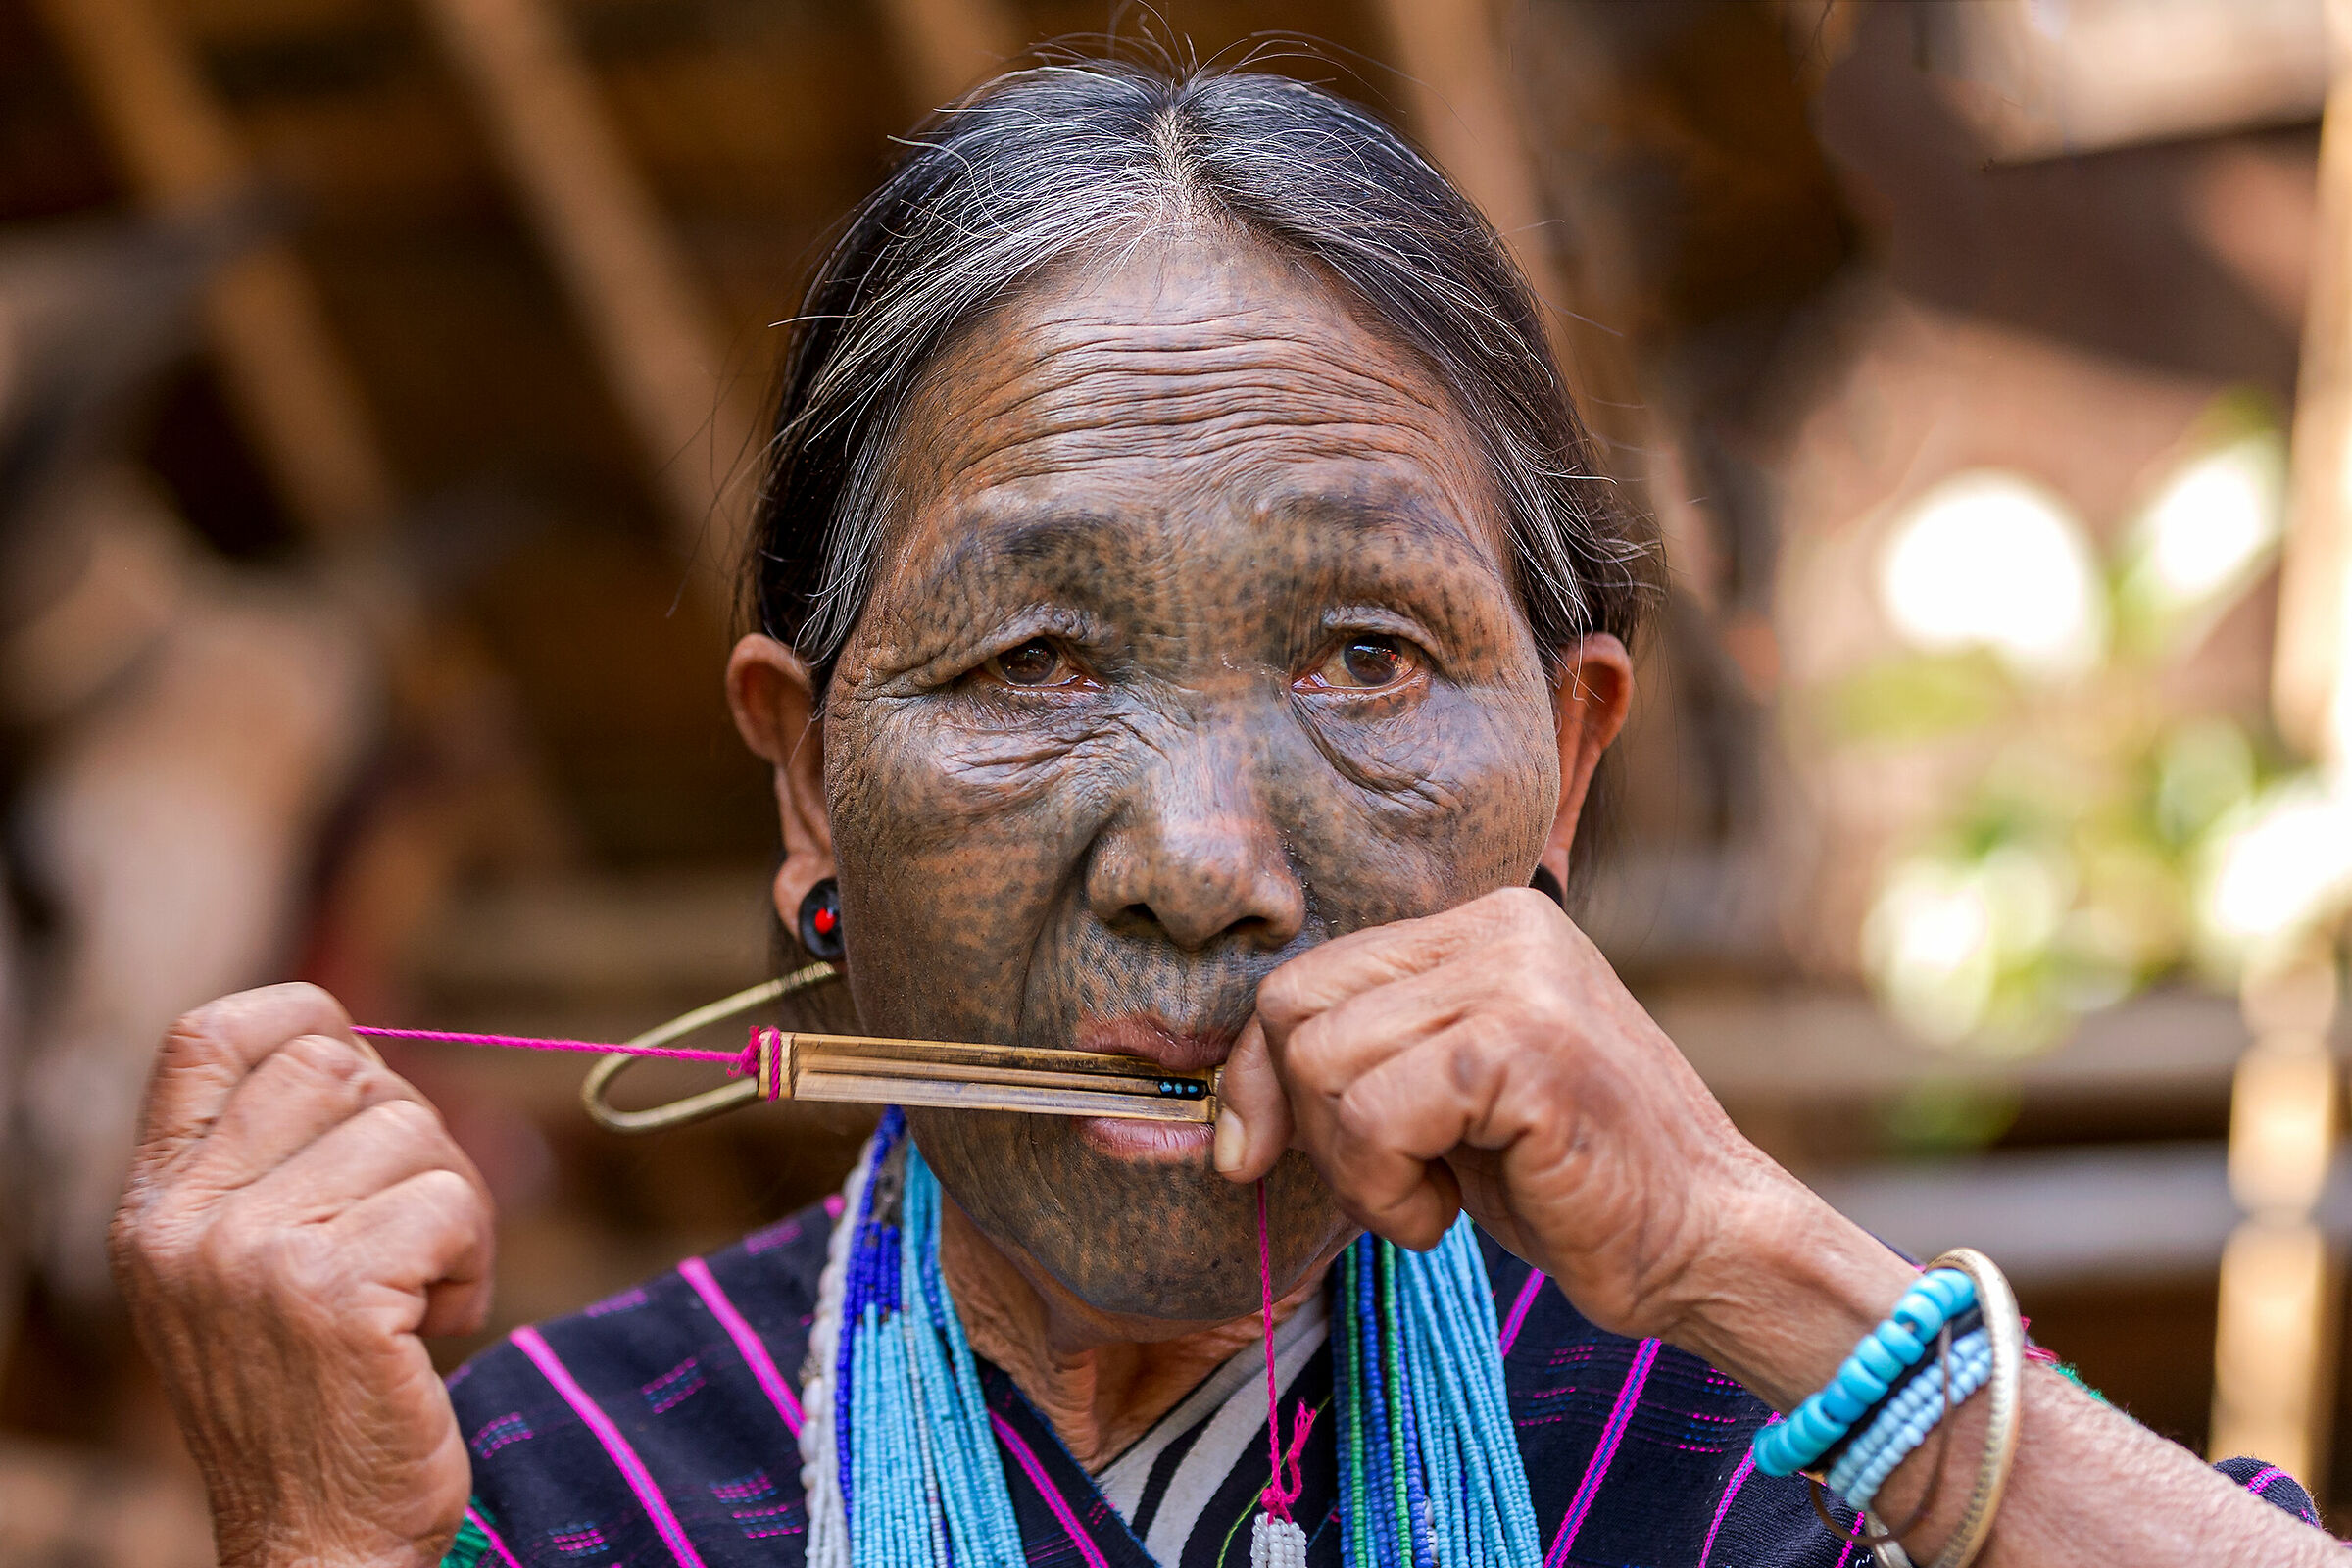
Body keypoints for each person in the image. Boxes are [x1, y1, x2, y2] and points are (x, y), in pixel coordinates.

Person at [108, 59, 2337, 1568]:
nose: (1201, 858)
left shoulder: (1757, 1453)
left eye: (1365, 656)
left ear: (1566, 762)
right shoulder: (543, 1487)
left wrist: (1752, 1260)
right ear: (805, 770)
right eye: (1032, 665)